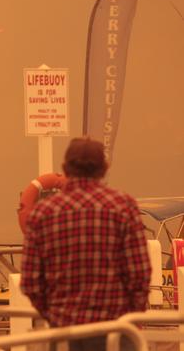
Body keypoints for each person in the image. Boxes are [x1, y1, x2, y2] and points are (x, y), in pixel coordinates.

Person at [20, 137, 151, 351]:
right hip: (115, 332)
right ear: (104, 168)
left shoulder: (43, 213)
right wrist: (130, 317)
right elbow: (140, 276)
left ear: (65, 169)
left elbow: (31, 282)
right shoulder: (124, 206)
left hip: (63, 334)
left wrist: (53, 314)